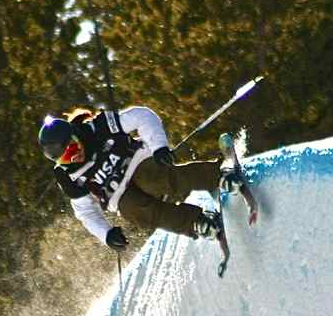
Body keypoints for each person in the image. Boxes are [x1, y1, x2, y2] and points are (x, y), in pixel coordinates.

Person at [37, 106, 245, 252]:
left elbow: (142, 116)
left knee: (152, 179)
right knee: (134, 211)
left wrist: (159, 147)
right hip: (119, 196)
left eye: (73, 147)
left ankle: (219, 174)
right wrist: (107, 235)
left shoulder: (97, 128)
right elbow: (86, 212)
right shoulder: (67, 176)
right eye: (65, 157)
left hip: (137, 164)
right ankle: (198, 223)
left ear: (75, 135)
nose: (74, 157)